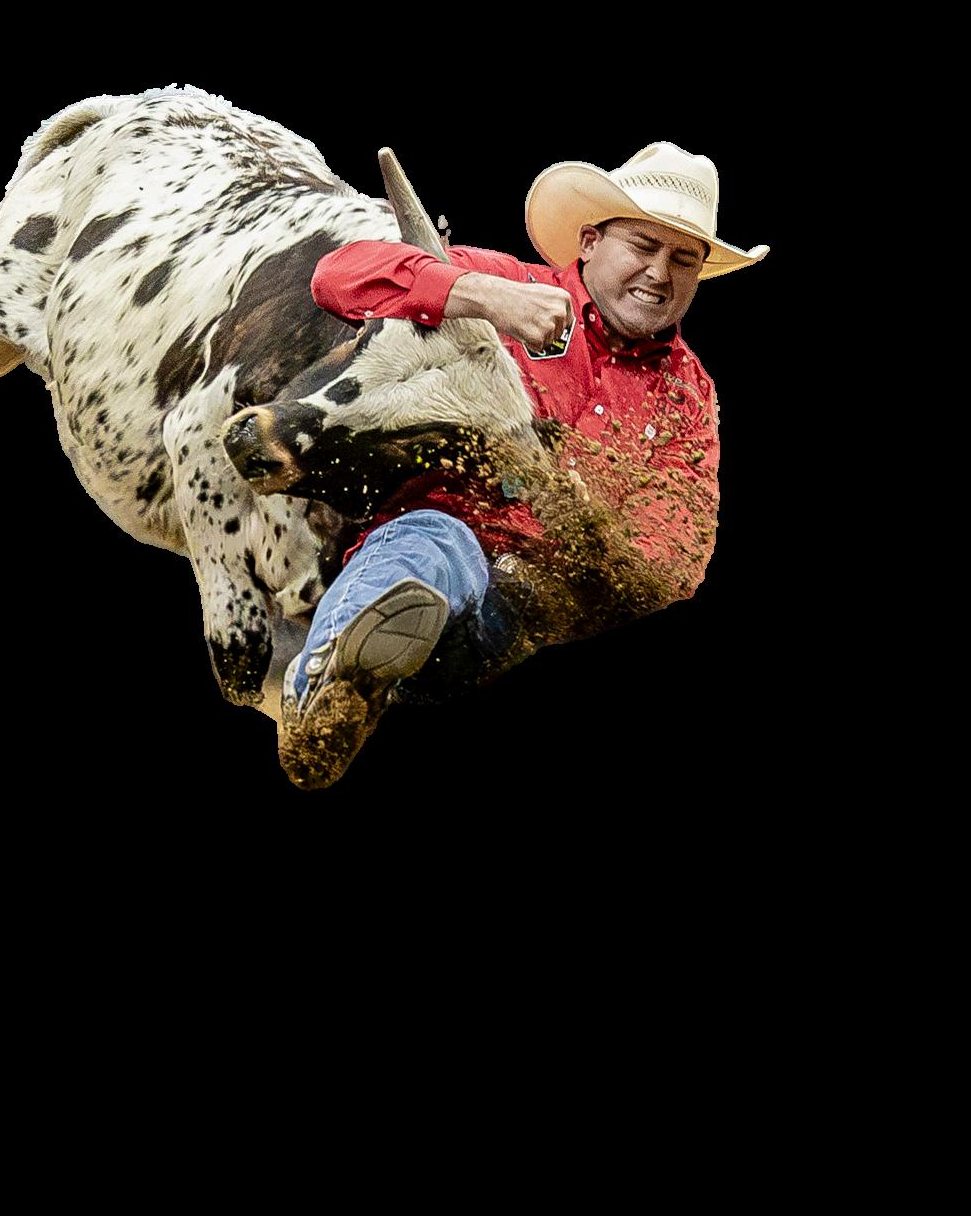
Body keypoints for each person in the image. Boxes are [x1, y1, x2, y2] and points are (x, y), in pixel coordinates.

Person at [277, 140, 768, 787]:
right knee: (433, 544)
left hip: (530, 610)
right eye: (643, 247)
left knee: (526, 597)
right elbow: (337, 277)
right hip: (438, 539)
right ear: (589, 242)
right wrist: (477, 295)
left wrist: (594, 540)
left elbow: (678, 541)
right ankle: (329, 686)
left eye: (683, 259)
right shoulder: (508, 287)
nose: (659, 272)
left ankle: (374, 659)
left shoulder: (688, 393)